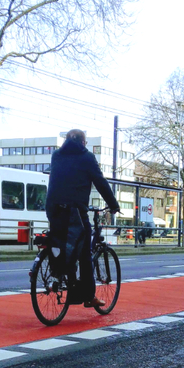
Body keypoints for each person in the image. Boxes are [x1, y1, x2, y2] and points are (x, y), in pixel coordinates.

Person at [46, 129, 121, 307]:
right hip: (74, 212)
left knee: (62, 243)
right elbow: (100, 182)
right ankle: (88, 296)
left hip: (53, 210)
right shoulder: (86, 157)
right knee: (84, 250)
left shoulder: (56, 155)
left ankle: (66, 279)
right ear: (83, 142)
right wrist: (114, 205)